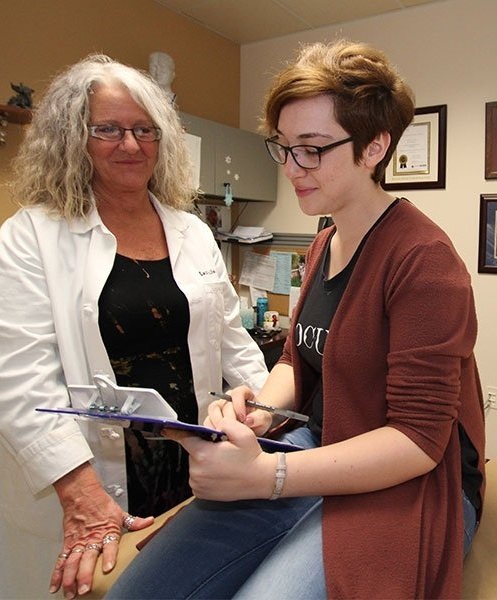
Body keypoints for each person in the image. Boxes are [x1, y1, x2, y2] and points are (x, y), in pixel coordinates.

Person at [105, 40, 486, 599]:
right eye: (283, 148)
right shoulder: (325, 242)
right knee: (141, 591)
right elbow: (296, 360)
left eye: (312, 148)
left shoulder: (424, 260)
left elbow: (417, 441)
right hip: (322, 443)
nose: (291, 169)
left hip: (417, 478)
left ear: (374, 146)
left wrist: (267, 476)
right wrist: (256, 407)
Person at [0, 54, 268, 600]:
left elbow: (232, 341)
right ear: (72, 139)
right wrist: (80, 493)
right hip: (85, 478)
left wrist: (267, 409)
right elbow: (13, 373)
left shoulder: (192, 231)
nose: (130, 144)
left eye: (144, 129)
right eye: (107, 128)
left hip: (186, 468)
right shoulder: (34, 233)